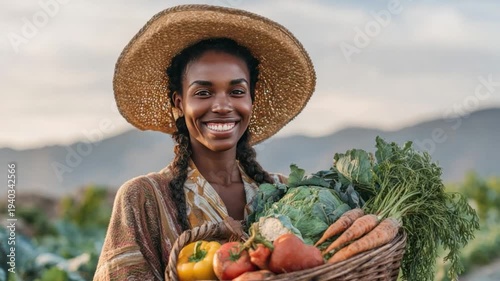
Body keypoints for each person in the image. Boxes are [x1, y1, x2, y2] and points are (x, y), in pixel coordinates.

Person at [94, 4, 315, 280]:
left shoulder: (287, 193)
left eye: (236, 91)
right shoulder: (142, 198)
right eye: (203, 92)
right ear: (179, 103)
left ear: (251, 100)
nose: (222, 106)